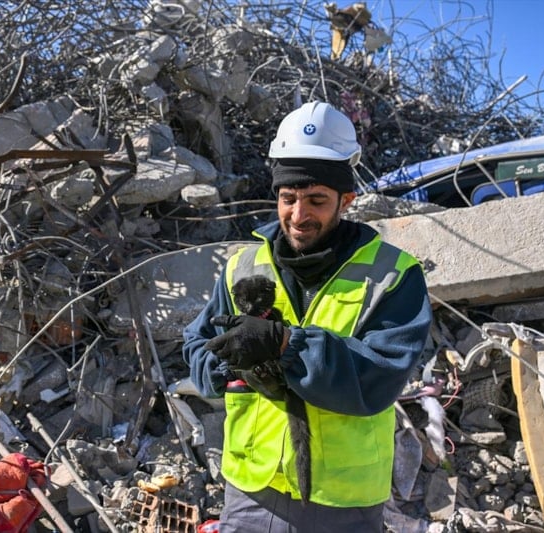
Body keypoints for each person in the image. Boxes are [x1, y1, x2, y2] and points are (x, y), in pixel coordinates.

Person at [182, 101, 433, 532]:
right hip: (252, 489)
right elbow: (198, 348)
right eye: (288, 199)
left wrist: (284, 345)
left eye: (316, 200)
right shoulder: (244, 266)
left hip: (342, 501)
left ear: (346, 200)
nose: (299, 216)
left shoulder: (392, 274)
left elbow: (379, 378)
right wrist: (228, 363)